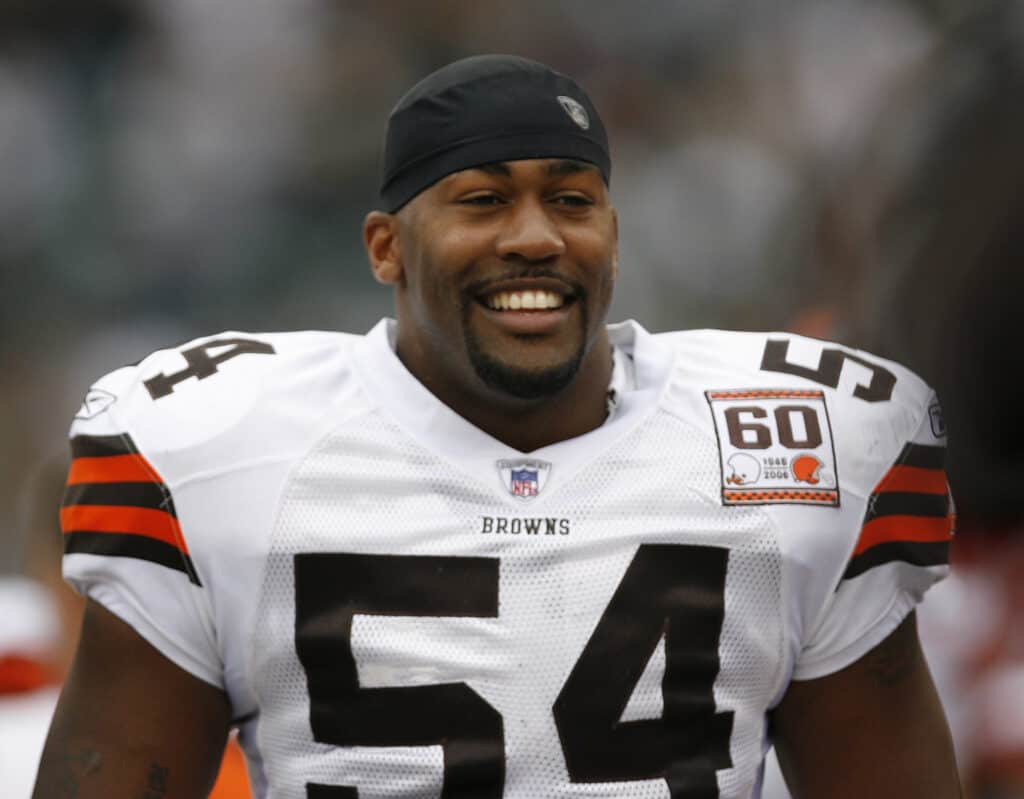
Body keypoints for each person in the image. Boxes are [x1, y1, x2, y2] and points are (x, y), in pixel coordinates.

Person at [35, 54, 960, 798]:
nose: (535, 237)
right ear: (386, 247)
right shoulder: (220, 448)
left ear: (612, 230)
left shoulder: (800, 440)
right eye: (482, 200)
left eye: (571, 200)